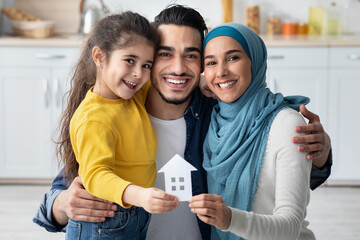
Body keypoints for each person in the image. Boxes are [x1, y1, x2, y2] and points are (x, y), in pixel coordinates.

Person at [33, 5, 332, 240]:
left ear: (201, 64)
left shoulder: (218, 114)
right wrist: (62, 205)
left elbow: (272, 177)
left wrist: (320, 156)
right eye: (165, 54)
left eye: (192, 55)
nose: (178, 67)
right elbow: (65, 189)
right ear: (149, 58)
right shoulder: (116, 113)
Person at [55, 12, 178, 240]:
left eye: (146, 65)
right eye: (130, 60)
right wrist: (140, 196)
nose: (138, 74)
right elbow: (96, 175)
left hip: (132, 215)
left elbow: (165, 78)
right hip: (105, 220)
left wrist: (203, 79)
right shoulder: (94, 117)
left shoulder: (131, 94)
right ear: (99, 56)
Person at [189, 22, 316, 240]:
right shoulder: (212, 119)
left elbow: (291, 226)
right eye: (211, 63)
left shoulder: (287, 124)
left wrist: (230, 219)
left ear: (255, 61)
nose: (221, 71)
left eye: (233, 58)